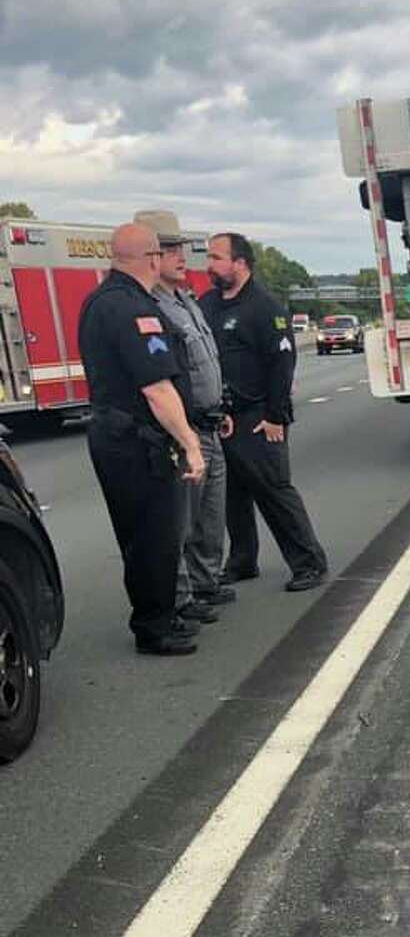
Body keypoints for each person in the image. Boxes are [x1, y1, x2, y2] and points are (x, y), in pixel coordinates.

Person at [78, 224, 206, 655]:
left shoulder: (102, 301)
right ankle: (155, 627)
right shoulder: (133, 309)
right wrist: (189, 443)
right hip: (136, 442)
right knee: (154, 536)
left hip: (117, 437)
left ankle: (159, 616)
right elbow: (156, 387)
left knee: (142, 535)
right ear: (152, 258)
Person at [199, 233, 328, 592]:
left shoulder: (264, 307)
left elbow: (282, 364)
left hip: (258, 416)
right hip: (221, 418)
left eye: (216, 257)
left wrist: (275, 416)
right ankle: (242, 561)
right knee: (232, 496)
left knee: (273, 490)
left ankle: (308, 562)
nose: (209, 265)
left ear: (240, 263)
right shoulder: (207, 305)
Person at [134, 209, 234, 625]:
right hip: (185, 427)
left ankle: (205, 581)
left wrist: (220, 405)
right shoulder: (151, 307)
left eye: (180, 247)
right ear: (151, 255)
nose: (180, 256)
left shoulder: (187, 302)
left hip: (211, 421)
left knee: (211, 514)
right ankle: (180, 596)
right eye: (169, 248)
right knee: (182, 518)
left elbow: (206, 363)